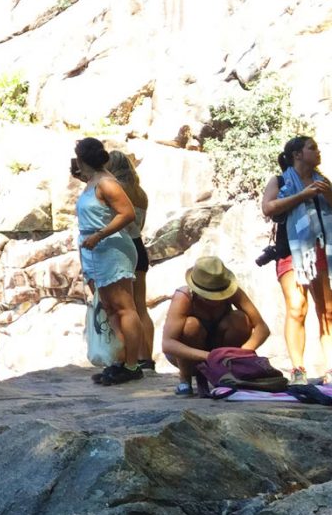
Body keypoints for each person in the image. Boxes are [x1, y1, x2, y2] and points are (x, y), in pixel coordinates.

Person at [259, 136, 332, 384]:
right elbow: (268, 208)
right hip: (292, 250)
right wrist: (303, 195)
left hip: (321, 248)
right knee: (297, 307)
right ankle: (298, 370)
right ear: (297, 154)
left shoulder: (323, 182)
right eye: (312, 148)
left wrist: (327, 195)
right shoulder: (280, 181)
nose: (317, 151)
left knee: (328, 310)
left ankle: (331, 369)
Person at [72, 137, 144, 385]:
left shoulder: (107, 183)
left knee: (125, 306)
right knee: (110, 308)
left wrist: (100, 234)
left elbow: (127, 214)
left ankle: (134, 364)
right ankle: (119, 359)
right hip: (94, 251)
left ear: (83, 158)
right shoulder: (91, 181)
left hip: (111, 248)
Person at [161, 256, 271, 395]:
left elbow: (262, 328)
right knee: (191, 325)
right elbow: (168, 343)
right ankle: (185, 379)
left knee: (240, 319)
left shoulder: (233, 292)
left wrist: (241, 353)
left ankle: (230, 372)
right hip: (190, 354)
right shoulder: (184, 296)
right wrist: (210, 356)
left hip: (222, 351)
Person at [106, 151, 156, 370]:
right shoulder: (140, 193)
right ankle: (147, 357)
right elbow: (140, 225)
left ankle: (127, 358)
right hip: (138, 245)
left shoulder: (114, 191)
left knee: (123, 308)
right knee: (140, 307)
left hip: (120, 248)